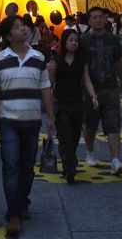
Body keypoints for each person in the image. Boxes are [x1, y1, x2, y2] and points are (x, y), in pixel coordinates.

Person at [0, 15, 55, 236]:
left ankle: (22, 201)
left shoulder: (38, 57)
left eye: (23, 26)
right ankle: (13, 214)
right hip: (8, 122)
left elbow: (45, 89)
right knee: (11, 165)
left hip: (33, 122)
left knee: (27, 168)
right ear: (7, 36)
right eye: (16, 27)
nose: (23, 29)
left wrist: (51, 116)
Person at [80, 6, 122, 176]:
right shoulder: (83, 40)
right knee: (90, 124)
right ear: (89, 20)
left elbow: (118, 61)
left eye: (101, 17)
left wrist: (121, 79)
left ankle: (115, 159)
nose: (98, 20)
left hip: (110, 87)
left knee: (114, 123)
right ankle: (90, 152)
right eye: (95, 17)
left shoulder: (112, 39)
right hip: (89, 89)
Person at [47, 29, 85, 183]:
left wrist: (93, 95)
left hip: (77, 102)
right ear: (64, 42)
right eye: (71, 40)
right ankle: (69, 168)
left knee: (75, 135)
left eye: (76, 40)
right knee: (64, 135)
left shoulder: (81, 60)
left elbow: (86, 79)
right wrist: (50, 72)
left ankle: (70, 159)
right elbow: (50, 84)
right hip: (61, 102)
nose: (74, 43)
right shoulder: (56, 61)